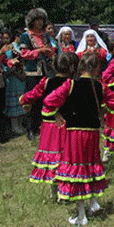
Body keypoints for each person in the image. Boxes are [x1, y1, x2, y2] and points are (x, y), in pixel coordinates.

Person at [42, 53, 114, 226]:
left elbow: (49, 100)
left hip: (74, 135)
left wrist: (56, 114)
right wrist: (103, 110)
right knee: (90, 167)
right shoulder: (100, 87)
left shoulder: (70, 84)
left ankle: (81, 215)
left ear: (80, 68)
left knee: (77, 171)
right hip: (93, 134)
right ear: (96, 69)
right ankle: (93, 203)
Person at [21, 52, 78, 189]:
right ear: (71, 68)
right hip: (66, 125)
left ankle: (53, 187)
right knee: (66, 156)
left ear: (53, 66)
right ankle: (65, 186)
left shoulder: (46, 82)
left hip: (48, 126)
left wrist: (25, 102)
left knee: (52, 157)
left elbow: (30, 96)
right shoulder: (72, 84)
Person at [20, 8, 56, 140]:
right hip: (32, 71)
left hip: (45, 70)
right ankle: (30, 128)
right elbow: (24, 54)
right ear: (32, 22)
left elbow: (51, 49)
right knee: (31, 98)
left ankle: (39, 126)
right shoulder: (26, 36)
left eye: (41, 20)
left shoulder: (45, 35)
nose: (40, 23)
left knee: (43, 99)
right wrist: (40, 51)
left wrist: (49, 52)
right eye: (37, 20)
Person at [3, 29, 26, 136]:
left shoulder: (18, 47)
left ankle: (20, 124)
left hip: (21, 76)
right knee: (14, 101)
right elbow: (7, 63)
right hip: (12, 77)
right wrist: (16, 73)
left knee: (22, 100)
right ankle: (14, 126)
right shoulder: (7, 49)